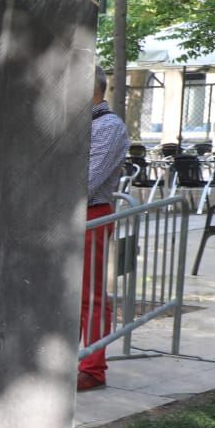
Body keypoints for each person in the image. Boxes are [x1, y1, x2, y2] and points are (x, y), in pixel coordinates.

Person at [79, 67, 129, 391]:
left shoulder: (108, 127)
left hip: (90, 215)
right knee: (69, 294)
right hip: (70, 216)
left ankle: (93, 368)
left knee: (90, 295)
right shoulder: (81, 124)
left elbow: (86, 182)